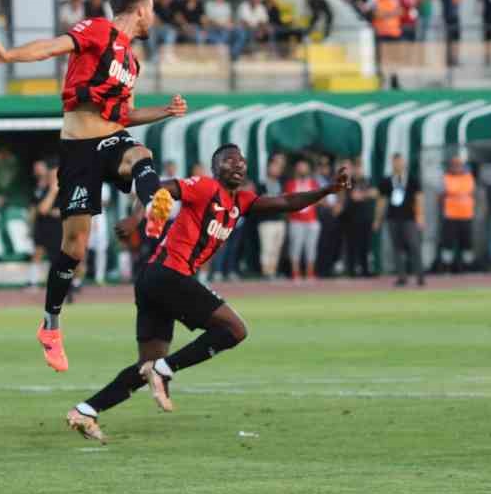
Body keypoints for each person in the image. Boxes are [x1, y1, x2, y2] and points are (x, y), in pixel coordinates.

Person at [66, 145, 349, 442]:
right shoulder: (205, 186)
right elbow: (157, 189)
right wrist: (137, 218)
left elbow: (287, 202)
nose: (238, 164)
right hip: (167, 274)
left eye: (242, 160)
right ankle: (165, 370)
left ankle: (86, 410)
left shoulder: (241, 201)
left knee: (144, 367)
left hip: (155, 280)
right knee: (235, 329)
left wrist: (328, 189)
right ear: (216, 168)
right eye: (229, 160)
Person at [0, 0, 187, 372]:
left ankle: (154, 208)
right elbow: (50, 47)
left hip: (111, 138)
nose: (154, 17)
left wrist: (164, 111)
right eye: (153, 9)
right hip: (78, 150)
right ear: (140, 10)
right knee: (74, 247)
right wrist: (9, 56)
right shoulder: (96, 30)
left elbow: (124, 116)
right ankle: (51, 325)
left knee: (140, 154)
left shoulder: (132, 63)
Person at [377, 154, 424, 287]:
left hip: (409, 218)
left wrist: (420, 216)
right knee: (397, 248)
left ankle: (420, 275)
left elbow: (419, 198)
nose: (398, 164)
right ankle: (401, 276)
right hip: (393, 218)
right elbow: (382, 200)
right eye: (395, 162)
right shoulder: (387, 180)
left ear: (404, 163)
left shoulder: (412, 179)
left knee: (414, 246)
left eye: (400, 161)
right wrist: (378, 219)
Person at [283, 159, 321, 283]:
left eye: (304, 167)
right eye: (300, 167)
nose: (302, 170)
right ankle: (296, 273)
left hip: (311, 220)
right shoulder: (291, 184)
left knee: (311, 247)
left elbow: (319, 199)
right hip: (296, 221)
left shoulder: (314, 183)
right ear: (296, 170)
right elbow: (287, 201)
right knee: (296, 247)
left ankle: (310, 273)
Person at [439, 155, 476, 273]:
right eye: (454, 165)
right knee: (448, 243)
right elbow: (449, 190)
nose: (457, 167)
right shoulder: (446, 177)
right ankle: (446, 268)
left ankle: (467, 267)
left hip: (466, 215)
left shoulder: (468, 177)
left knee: (467, 243)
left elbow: (469, 190)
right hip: (451, 215)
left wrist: (456, 192)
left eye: (459, 165)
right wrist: (456, 192)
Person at [27, 159, 61, 288]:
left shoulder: (66, 189)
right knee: (38, 252)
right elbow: (40, 209)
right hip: (43, 226)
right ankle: (33, 282)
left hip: (59, 228)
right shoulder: (43, 188)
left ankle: (72, 284)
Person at [340, 158, 376, 276]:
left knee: (365, 246)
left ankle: (365, 270)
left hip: (366, 218)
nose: (359, 170)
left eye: (361, 167)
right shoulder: (349, 182)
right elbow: (353, 197)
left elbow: (374, 193)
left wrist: (363, 195)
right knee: (352, 246)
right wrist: (365, 194)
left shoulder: (367, 180)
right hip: (352, 219)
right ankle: (351, 270)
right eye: (357, 167)